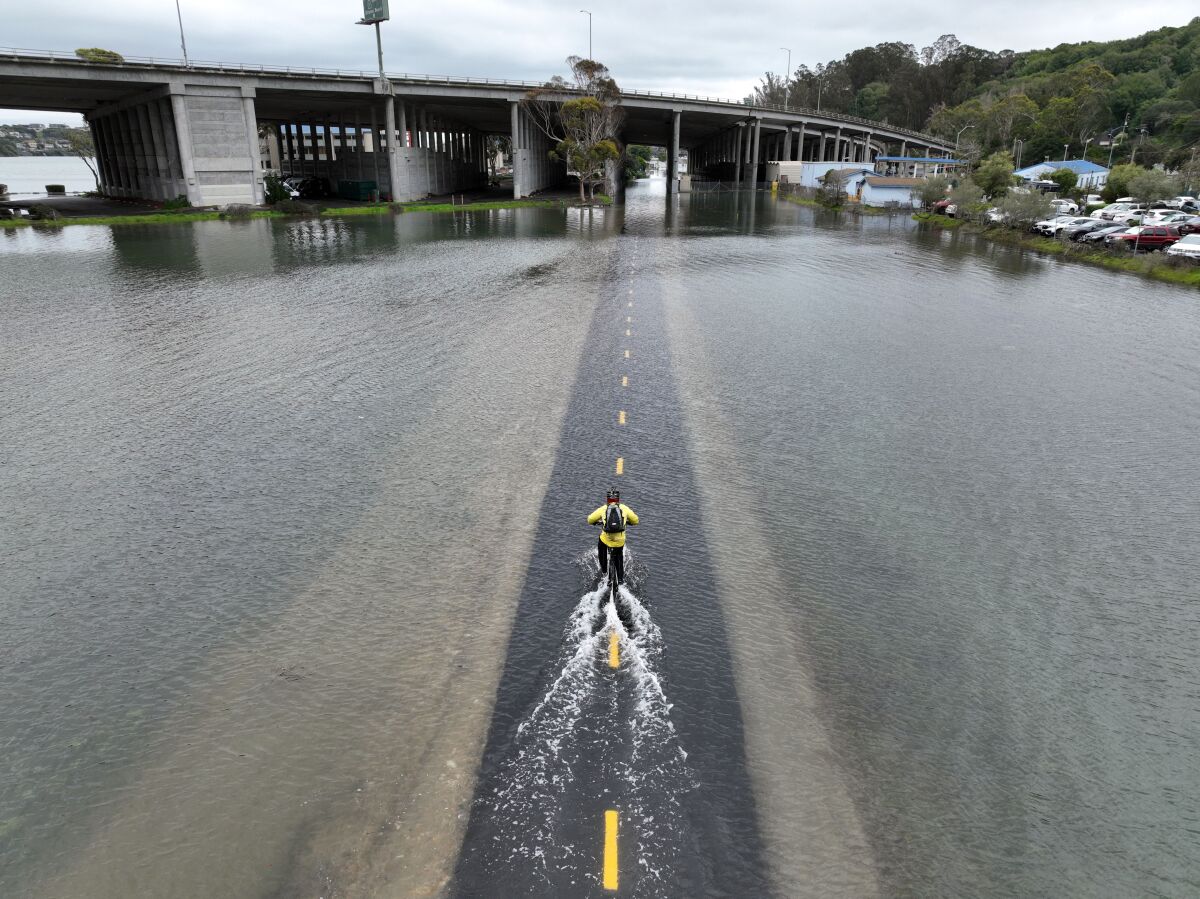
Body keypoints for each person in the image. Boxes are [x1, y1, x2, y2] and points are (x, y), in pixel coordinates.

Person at [587, 488, 639, 584]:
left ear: (607, 500)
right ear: (618, 499)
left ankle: (604, 570)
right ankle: (620, 579)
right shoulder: (624, 508)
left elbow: (590, 519)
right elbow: (636, 520)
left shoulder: (604, 508)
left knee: (601, 548)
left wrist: (597, 522)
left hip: (606, 538)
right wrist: (628, 522)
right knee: (619, 555)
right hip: (619, 540)